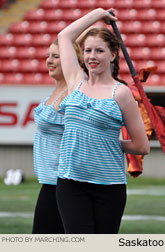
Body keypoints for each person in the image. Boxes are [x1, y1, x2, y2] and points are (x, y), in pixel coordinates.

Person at [56, 8, 150, 234]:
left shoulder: (121, 93)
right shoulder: (75, 81)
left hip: (109, 186)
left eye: (99, 51)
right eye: (88, 51)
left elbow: (142, 145)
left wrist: (104, 143)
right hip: (70, 182)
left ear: (113, 54)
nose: (92, 56)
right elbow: (64, 37)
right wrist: (97, 13)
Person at [32, 39, 82, 233]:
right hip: (51, 182)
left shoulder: (74, 92)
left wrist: (99, 15)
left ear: (71, 60)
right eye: (47, 56)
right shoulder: (56, 90)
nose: (49, 61)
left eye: (56, 56)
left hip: (63, 182)